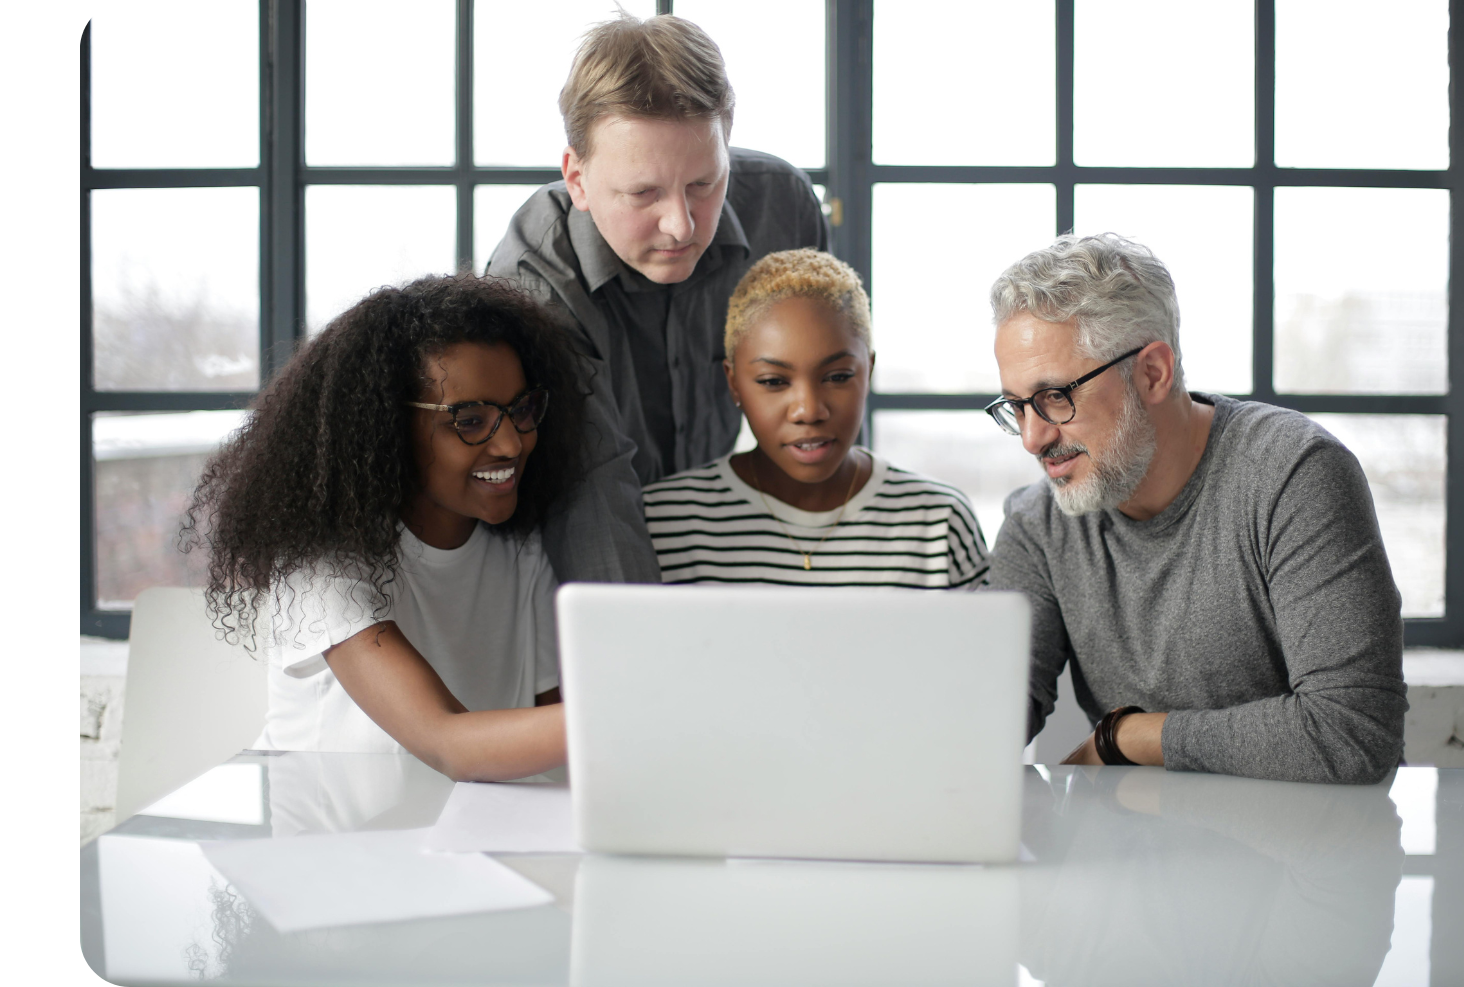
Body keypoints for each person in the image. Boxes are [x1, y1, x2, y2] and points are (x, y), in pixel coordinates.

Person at [982, 234, 1408, 785]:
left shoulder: (1293, 475)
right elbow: (991, 719)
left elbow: (1354, 732)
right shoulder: (1037, 523)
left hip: (1309, 851)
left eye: (1055, 397)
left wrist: (1127, 736)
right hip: (1138, 851)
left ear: (1153, 373)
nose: (1032, 439)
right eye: (1016, 407)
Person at [183, 275, 589, 781]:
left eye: (521, 410)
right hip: (328, 853)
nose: (511, 444)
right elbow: (446, 743)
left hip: (465, 842)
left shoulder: (522, 549)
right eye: (469, 420)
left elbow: (560, 744)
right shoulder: (325, 568)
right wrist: (639, 714)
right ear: (388, 428)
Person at [484, 11, 829, 586]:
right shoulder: (534, 280)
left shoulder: (783, 206)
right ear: (577, 179)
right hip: (561, 564)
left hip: (719, 538)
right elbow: (592, 485)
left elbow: (820, 396)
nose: (681, 225)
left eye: (704, 183)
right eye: (643, 192)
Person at [642, 249, 988, 587]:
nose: (808, 411)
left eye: (837, 377)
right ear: (734, 383)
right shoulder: (663, 522)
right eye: (773, 382)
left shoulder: (939, 524)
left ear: (868, 371)